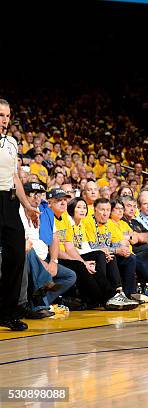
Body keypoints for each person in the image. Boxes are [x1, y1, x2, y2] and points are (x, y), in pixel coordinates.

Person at [0, 98, 40, 331]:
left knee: (16, 255)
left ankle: (8, 312)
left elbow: (15, 177)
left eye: (7, 116)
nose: (4, 120)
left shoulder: (12, 142)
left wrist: (26, 205)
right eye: (0, 115)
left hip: (9, 201)